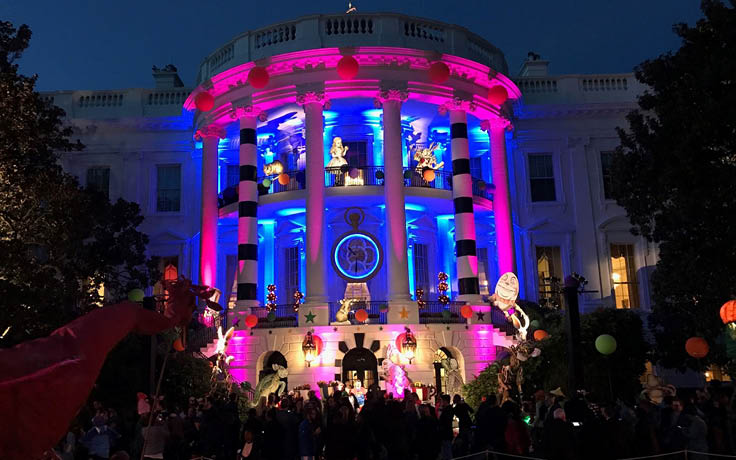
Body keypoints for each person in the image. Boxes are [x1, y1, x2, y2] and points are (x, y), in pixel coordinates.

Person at [438, 395, 454, 460]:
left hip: (446, 433)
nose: (440, 402)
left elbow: (442, 420)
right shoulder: (449, 409)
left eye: (441, 400)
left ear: (445, 401)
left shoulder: (447, 410)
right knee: (446, 451)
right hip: (447, 432)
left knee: (447, 451)